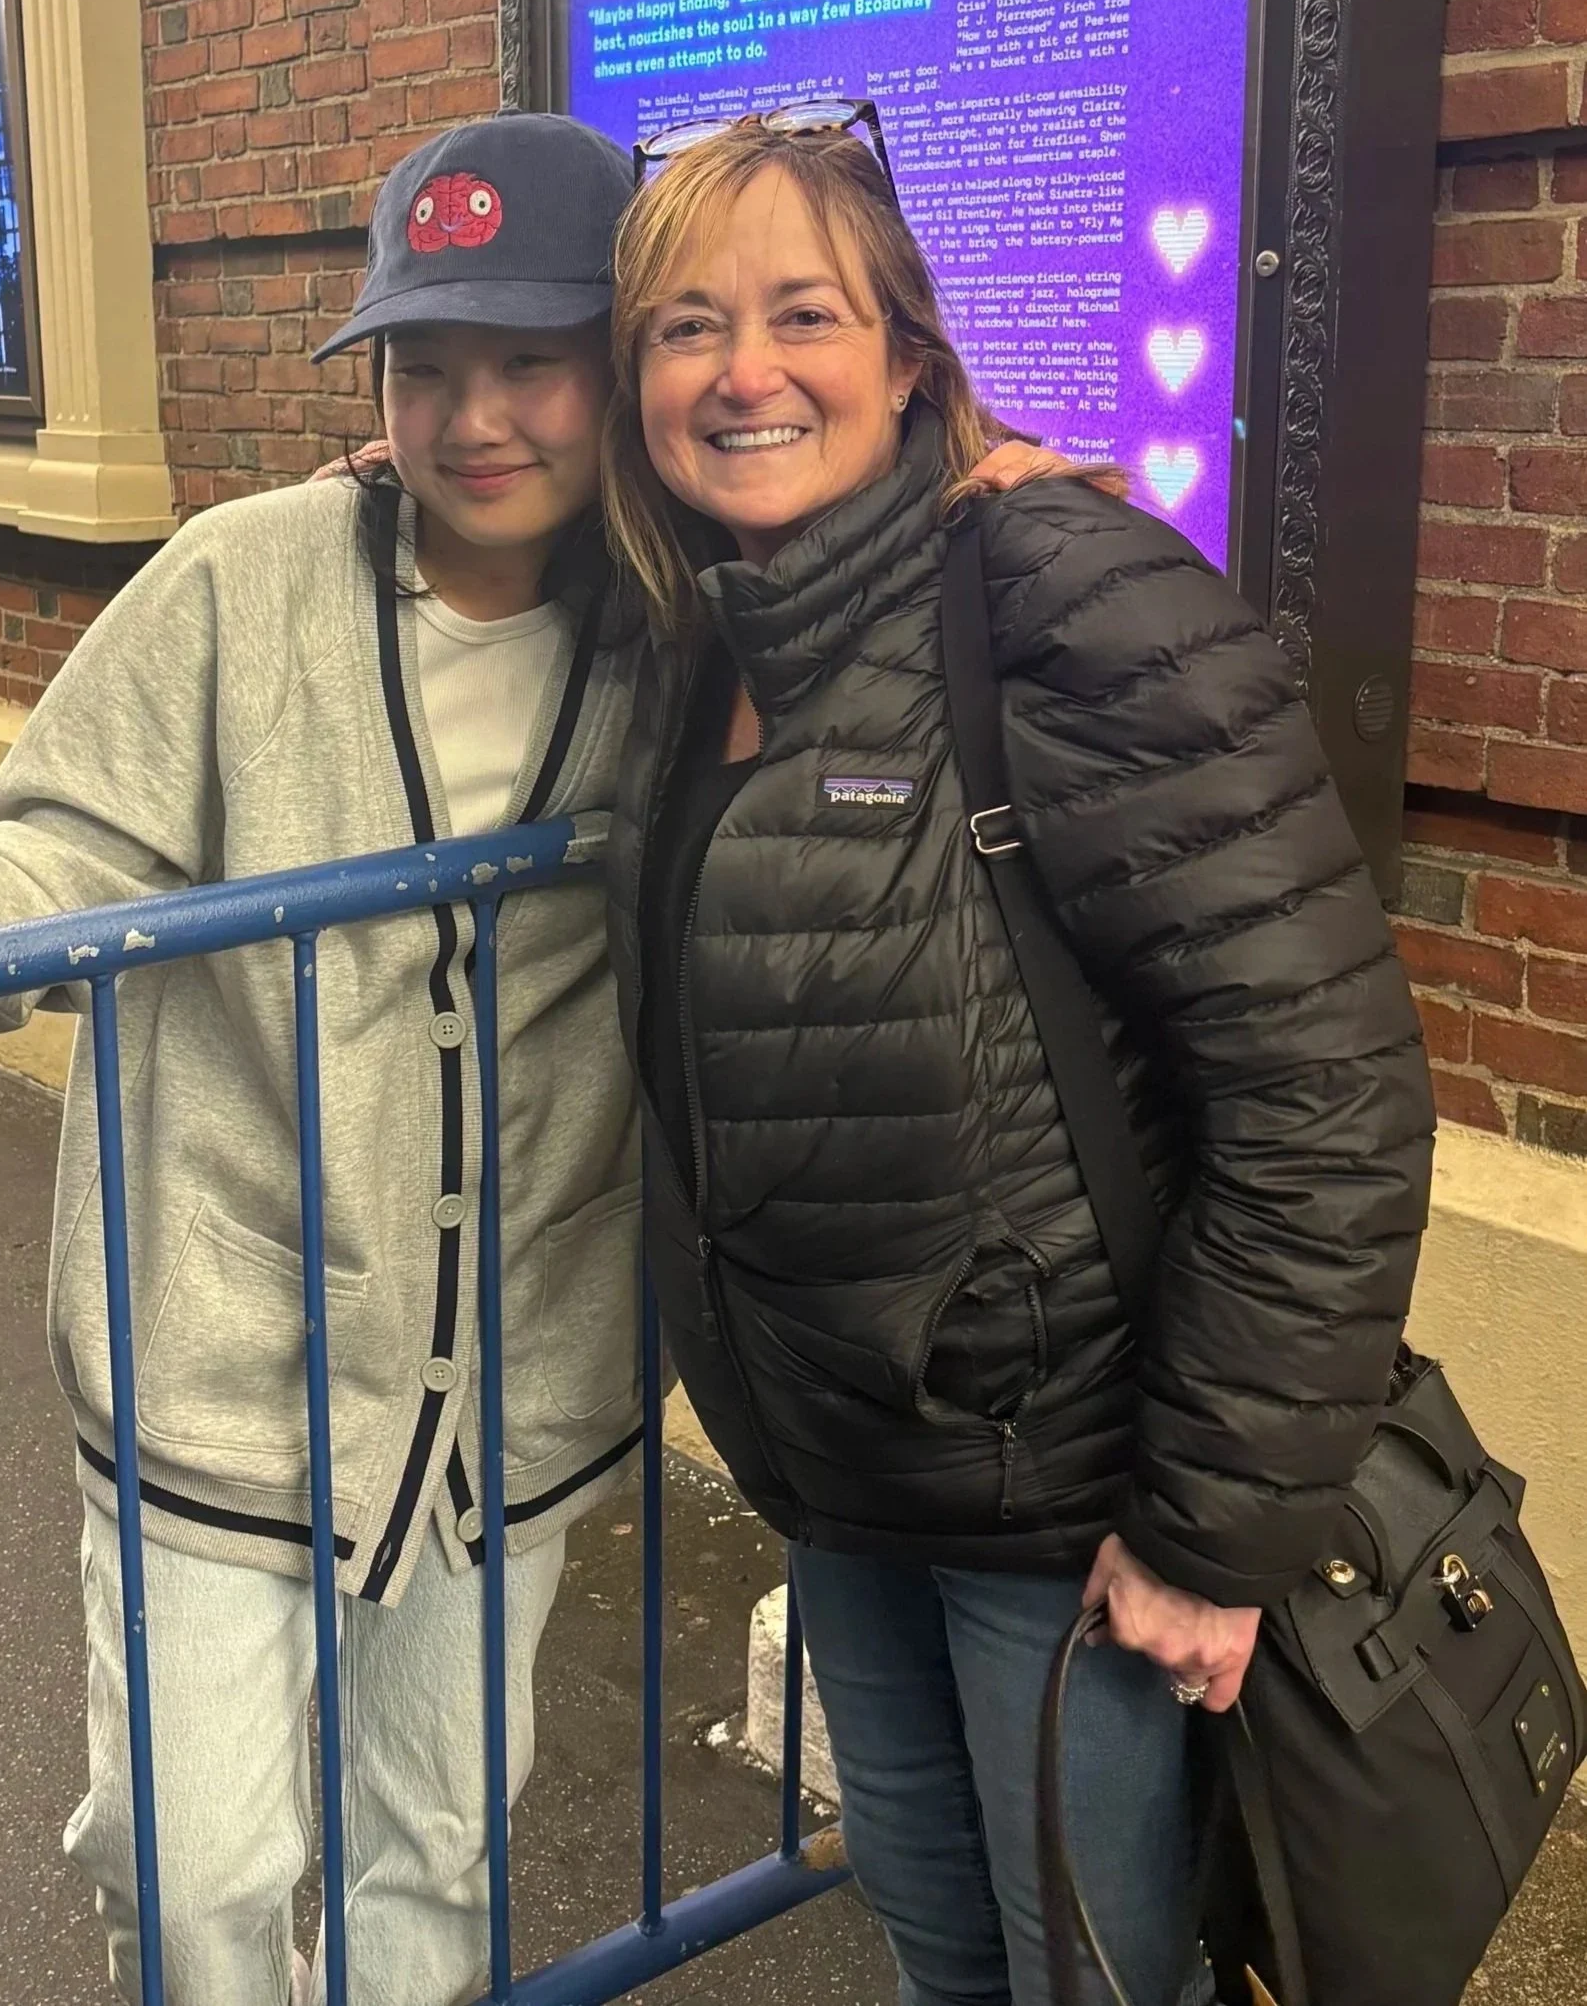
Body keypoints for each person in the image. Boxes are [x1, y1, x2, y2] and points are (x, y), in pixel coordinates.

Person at [0, 108, 1076, 2006]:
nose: (474, 417)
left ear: (609, 376)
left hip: (502, 1390)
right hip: (220, 1364)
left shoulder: (689, 622)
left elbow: (862, 527)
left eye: (528, 361)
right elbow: (67, 849)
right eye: (424, 363)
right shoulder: (235, 580)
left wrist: (982, 487)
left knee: (432, 1858)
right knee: (189, 1876)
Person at [595, 107, 1434, 2006]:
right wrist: (398, 464)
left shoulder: (1056, 591)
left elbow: (1325, 1085)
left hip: (1063, 1507)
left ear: (904, 351)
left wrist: (1210, 1529)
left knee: (1088, 1978)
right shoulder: (700, 631)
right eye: (681, 328)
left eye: (801, 313)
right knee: (941, 1949)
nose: (742, 374)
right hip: (846, 1472)